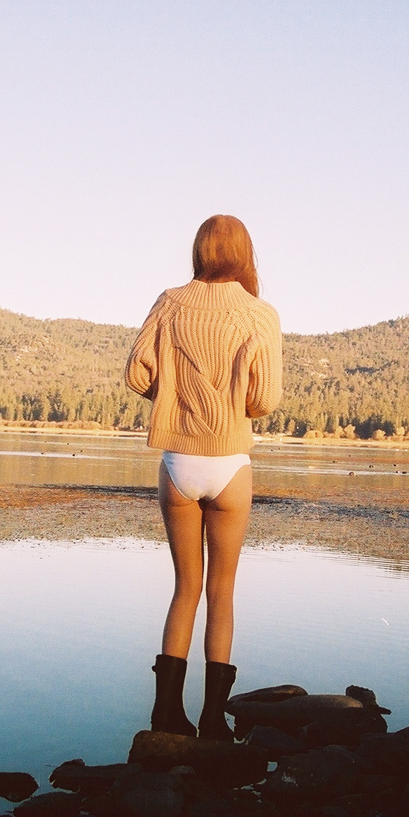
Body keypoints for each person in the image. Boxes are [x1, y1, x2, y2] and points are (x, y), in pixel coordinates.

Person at [124, 214, 283, 741]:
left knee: (185, 589)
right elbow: (265, 399)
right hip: (230, 462)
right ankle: (214, 720)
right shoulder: (259, 314)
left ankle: (166, 715)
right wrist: (233, 404)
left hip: (178, 462)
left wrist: (173, 395)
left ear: (199, 250)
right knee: (222, 591)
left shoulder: (170, 302)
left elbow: (136, 374)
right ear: (244, 253)